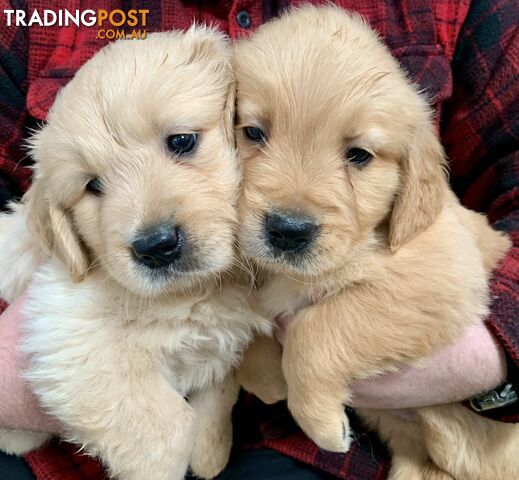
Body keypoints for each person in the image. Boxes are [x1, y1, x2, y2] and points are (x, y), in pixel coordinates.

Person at [0, 0, 517, 478]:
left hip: (362, 448)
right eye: (254, 134)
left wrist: (488, 356)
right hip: (71, 446)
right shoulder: (27, 17)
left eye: (183, 144)